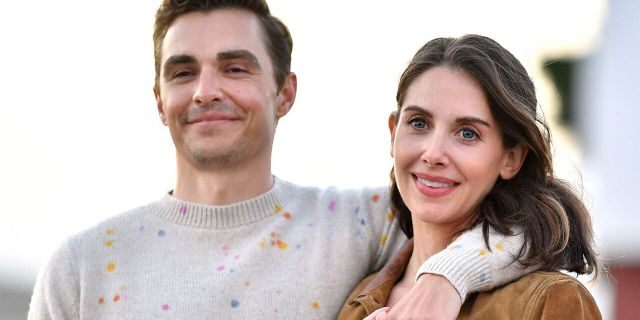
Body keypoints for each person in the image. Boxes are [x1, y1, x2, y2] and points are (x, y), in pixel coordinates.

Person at [28, 2, 535, 319]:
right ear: (159, 98)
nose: (206, 91)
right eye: (183, 73)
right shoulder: (82, 266)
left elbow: (520, 223)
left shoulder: (362, 224)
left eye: (234, 67)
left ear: (284, 92)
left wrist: (448, 277)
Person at [338, 34, 602, 320]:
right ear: (393, 132)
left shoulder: (550, 300)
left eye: (467, 133)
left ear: (511, 158)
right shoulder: (360, 298)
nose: (433, 153)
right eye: (418, 123)